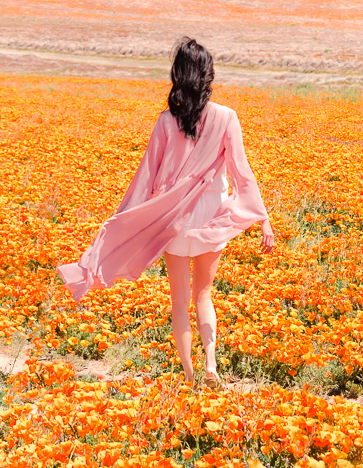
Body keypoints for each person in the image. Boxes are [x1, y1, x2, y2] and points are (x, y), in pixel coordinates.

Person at [57, 37, 274, 388]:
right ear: (207, 75)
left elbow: (145, 178)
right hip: (210, 219)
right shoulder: (226, 117)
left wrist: (125, 220)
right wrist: (262, 217)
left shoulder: (164, 121)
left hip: (174, 223)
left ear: (178, 75)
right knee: (203, 294)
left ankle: (189, 376)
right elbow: (241, 171)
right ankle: (210, 367)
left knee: (179, 301)